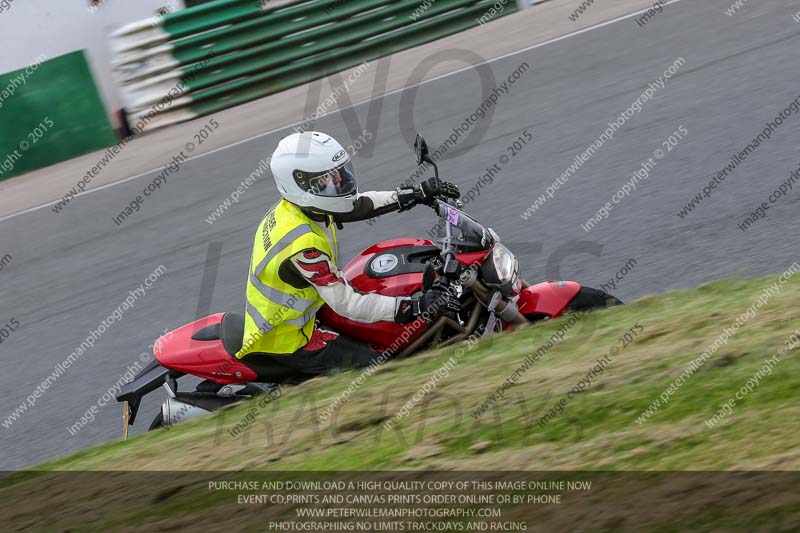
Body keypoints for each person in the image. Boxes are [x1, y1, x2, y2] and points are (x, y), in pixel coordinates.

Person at [235, 131, 461, 377]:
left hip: (309, 310)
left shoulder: (299, 207)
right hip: (288, 338)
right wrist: (417, 306)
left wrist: (414, 194)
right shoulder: (303, 246)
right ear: (299, 184)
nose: (339, 181)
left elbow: (357, 205)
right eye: (327, 179)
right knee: (387, 369)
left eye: (339, 172)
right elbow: (348, 304)